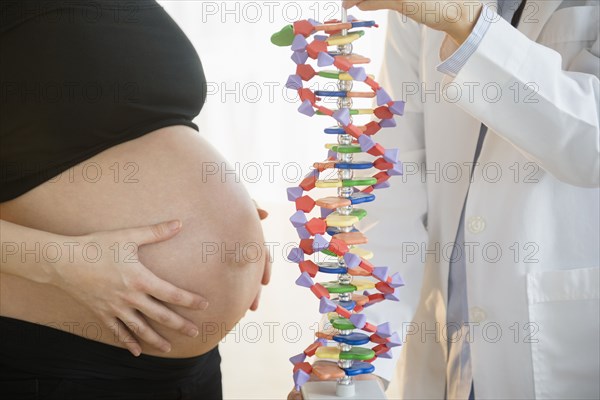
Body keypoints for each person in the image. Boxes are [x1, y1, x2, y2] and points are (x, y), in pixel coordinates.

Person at [290, 0, 599, 399]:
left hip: (566, 354)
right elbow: (393, 178)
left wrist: (466, 24)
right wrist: (357, 350)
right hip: (450, 351)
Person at [0, 1, 270, 399]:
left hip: (190, 368)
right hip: (63, 362)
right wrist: (56, 261)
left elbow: (129, 128)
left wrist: (230, 217)